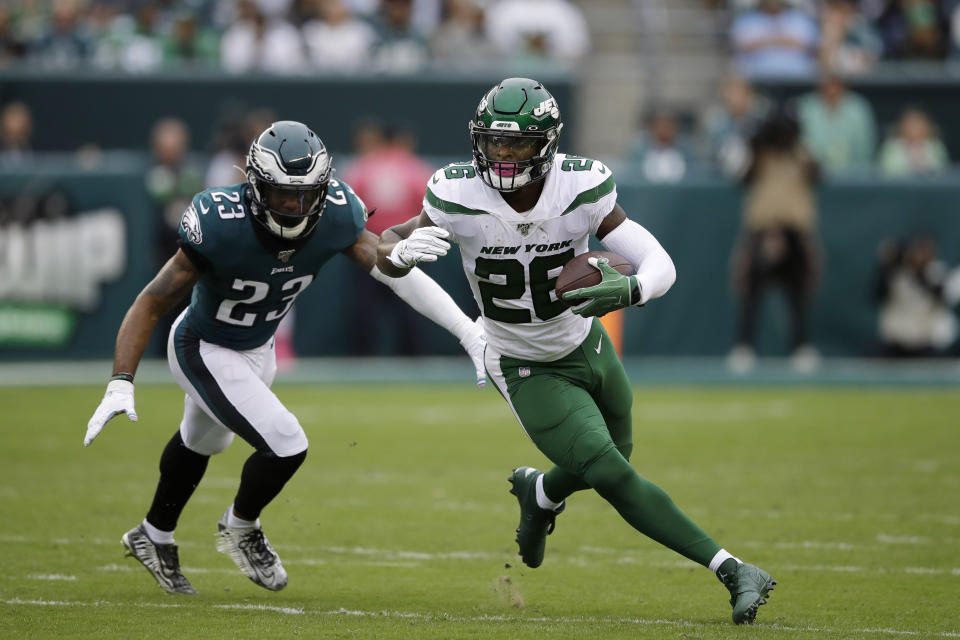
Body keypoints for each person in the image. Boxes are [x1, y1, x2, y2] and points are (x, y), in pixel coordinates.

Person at [376, 78, 776, 625]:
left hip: (587, 342)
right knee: (612, 474)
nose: (503, 155)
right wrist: (398, 252)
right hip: (523, 364)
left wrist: (634, 290)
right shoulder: (454, 193)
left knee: (620, 452)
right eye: (494, 142)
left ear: (546, 144)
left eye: (517, 144)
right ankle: (732, 569)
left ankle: (540, 493)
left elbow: (658, 260)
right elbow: (384, 252)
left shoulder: (580, 186)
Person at [84, 120, 486, 595]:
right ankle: (240, 526)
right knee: (287, 442)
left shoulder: (336, 214)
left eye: (306, 194)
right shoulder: (218, 223)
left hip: (260, 347)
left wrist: (466, 328)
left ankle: (152, 534)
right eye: (282, 195)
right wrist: (120, 382)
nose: (296, 207)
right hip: (205, 346)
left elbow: (388, 269)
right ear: (255, 185)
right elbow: (152, 300)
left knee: (202, 443)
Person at [729, 106, 821, 373]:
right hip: (762, 230)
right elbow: (742, 179)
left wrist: (796, 145)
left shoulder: (801, 153)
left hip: (795, 231)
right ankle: (744, 346)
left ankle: (801, 346)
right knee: (750, 291)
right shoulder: (760, 155)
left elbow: (819, 174)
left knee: (799, 293)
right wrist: (757, 144)